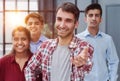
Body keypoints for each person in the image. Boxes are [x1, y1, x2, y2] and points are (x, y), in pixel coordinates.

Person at [24, 2, 94, 81]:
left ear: (76, 24)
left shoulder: (83, 47)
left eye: (68, 21)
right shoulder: (45, 46)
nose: (62, 25)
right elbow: (30, 69)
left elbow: (87, 66)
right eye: (59, 19)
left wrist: (82, 63)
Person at [76, 3, 119, 81]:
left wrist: (112, 79)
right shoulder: (77, 39)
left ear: (100, 19)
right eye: (90, 15)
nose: (93, 18)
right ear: (85, 19)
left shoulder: (108, 39)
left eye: (97, 15)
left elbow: (114, 62)